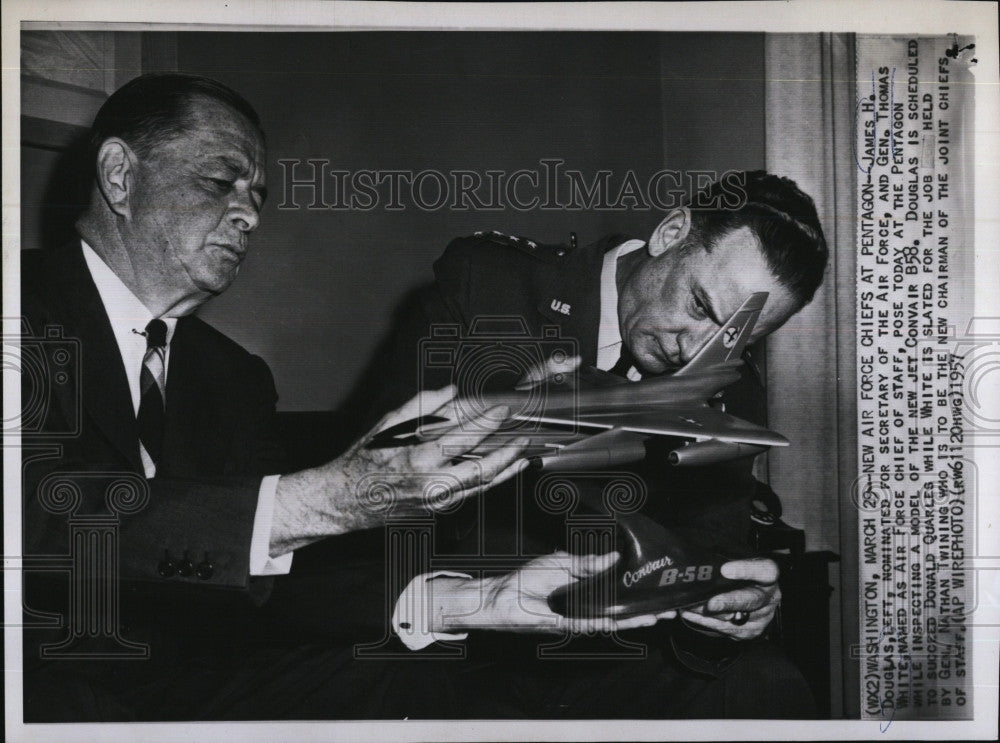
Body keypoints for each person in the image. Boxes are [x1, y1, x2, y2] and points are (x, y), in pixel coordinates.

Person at [19, 73, 670, 722]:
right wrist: (321, 497)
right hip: (33, 678)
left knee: (416, 677)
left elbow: (278, 585)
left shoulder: (234, 375)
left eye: (258, 195)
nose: (249, 214)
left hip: (182, 684)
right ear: (120, 177)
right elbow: (30, 518)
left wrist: (469, 599)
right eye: (221, 183)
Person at [346, 170, 828, 717]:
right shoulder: (487, 285)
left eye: (735, 338)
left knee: (764, 685)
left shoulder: (729, 390)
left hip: (603, 649)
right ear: (671, 232)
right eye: (699, 305)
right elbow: (367, 491)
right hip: (453, 633)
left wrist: (727, 613)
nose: (694, 350)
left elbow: (710, 550)